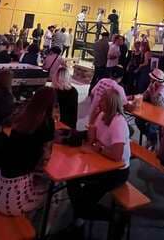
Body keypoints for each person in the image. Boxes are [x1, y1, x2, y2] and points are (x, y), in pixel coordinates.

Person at [67, 89, 130, 236]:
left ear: (110, 104)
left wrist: (99, 148)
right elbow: (91, 140)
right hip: (101, 164)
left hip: (117, 172)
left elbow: (117, 156)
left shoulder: (118, 122)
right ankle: (80, 217)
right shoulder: (102, 115)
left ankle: (115, 217)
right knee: (72, 179)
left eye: (102, 100)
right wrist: (92, 119)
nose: (98, 102)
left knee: (83, 199)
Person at [0, 88, 56, 217]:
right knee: (52, 190)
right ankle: (41, 226)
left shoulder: (21, 118)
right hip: (14, 200)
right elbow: (45, 159)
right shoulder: (48, 123)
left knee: (37, 178)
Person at [136, 68, 164, 147]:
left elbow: (155, 101)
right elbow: (144, 95)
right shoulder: (153, 85)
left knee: (151, 127)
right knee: (138, 120)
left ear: (156, 80)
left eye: (151, 78)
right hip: (156, 111)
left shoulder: (163, 88)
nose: (150, 79)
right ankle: (152, 139)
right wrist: (136, 97)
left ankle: (152, 141)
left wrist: (151, 91)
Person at [52, 65, 78, 129]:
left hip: (55, 123)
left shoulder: (53, 91)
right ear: (68, 78)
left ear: (55, 77)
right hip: (69, 123)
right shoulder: (73, 91)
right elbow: (74, 111)